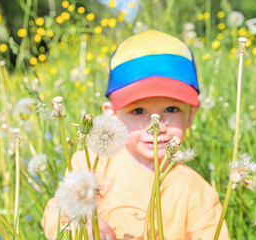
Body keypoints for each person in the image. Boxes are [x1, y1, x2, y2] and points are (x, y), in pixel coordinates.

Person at [41, 29, 230, 240]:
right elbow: (57, 212)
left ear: (191, 115)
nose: (156, 126)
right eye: (138, 111)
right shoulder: (91, 164)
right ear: (112, 116)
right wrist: (84, 225)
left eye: (171, 109)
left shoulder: (198, 194)